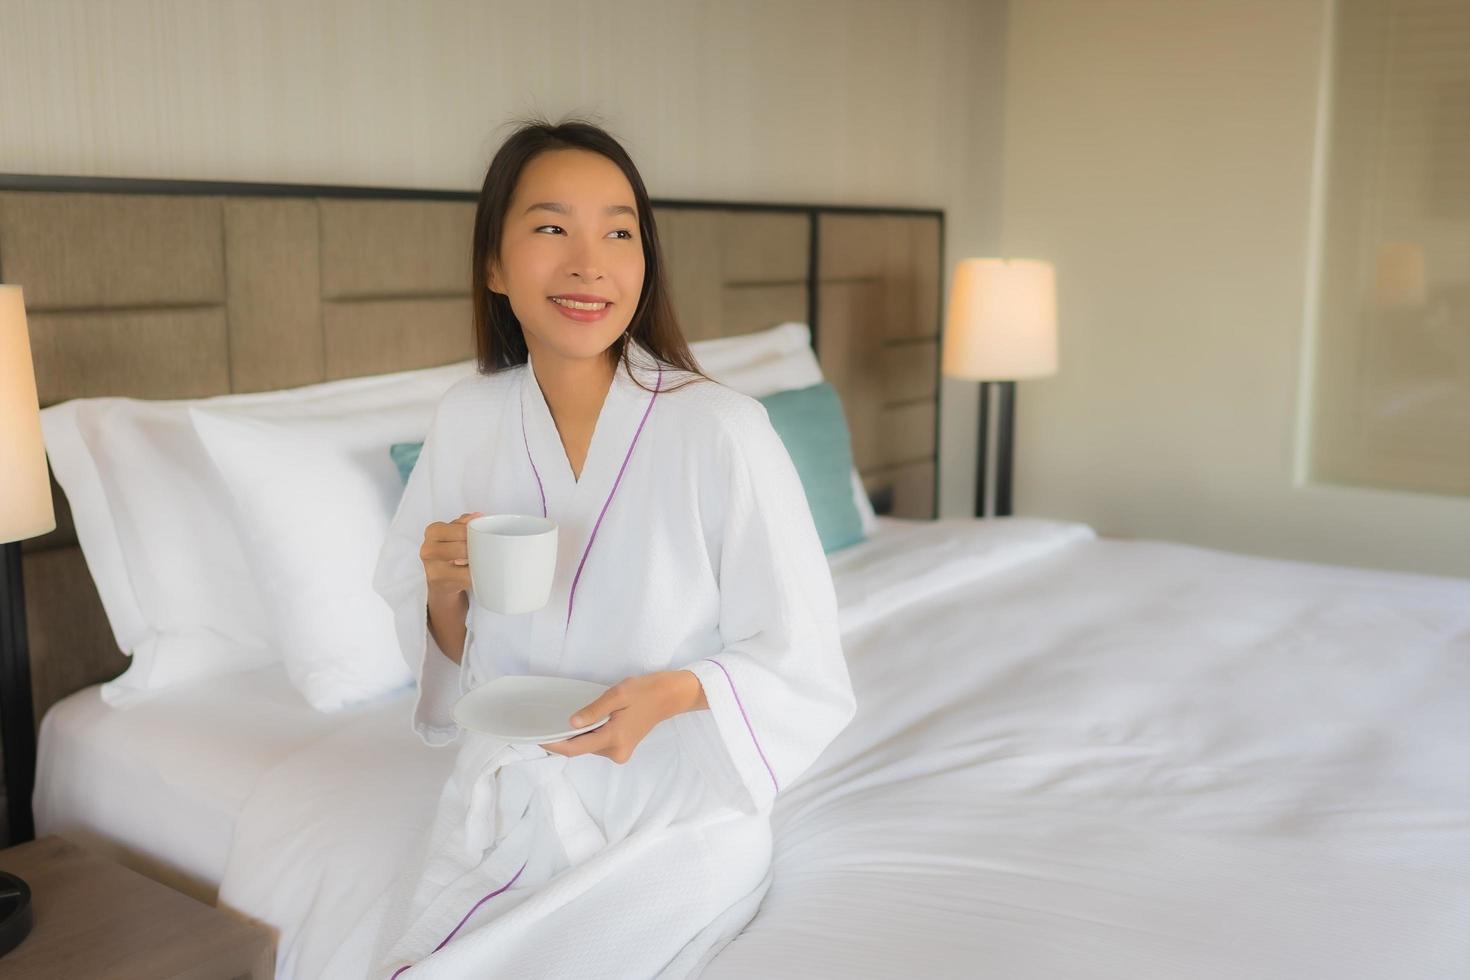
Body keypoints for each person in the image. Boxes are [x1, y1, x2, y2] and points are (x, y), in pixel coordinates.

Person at [349, 117, 856, 978]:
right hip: (510, 791)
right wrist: (441, 593)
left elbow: (804, 660)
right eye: (552, 228)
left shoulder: (720, 429)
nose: (590, 263)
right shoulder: (467, 418)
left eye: (619, 232)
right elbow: (442, 669)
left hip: (677, 800)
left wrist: (676, 693)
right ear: (495, 265)